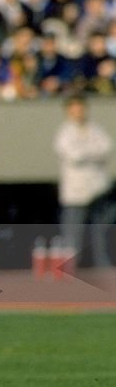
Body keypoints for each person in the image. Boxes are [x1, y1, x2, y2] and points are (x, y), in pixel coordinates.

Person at [54, 95, 113, 268]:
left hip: (98, 190)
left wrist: (88, 152)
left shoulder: (95, 129)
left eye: (81, 108)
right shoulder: (64, 133)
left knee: (101, 232)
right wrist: (93, 153)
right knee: (73, 233)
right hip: (77, 193)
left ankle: (103, 265)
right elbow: (74, 155)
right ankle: (70, 267)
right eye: (74, 109)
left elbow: (106, 148)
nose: (78, 112)